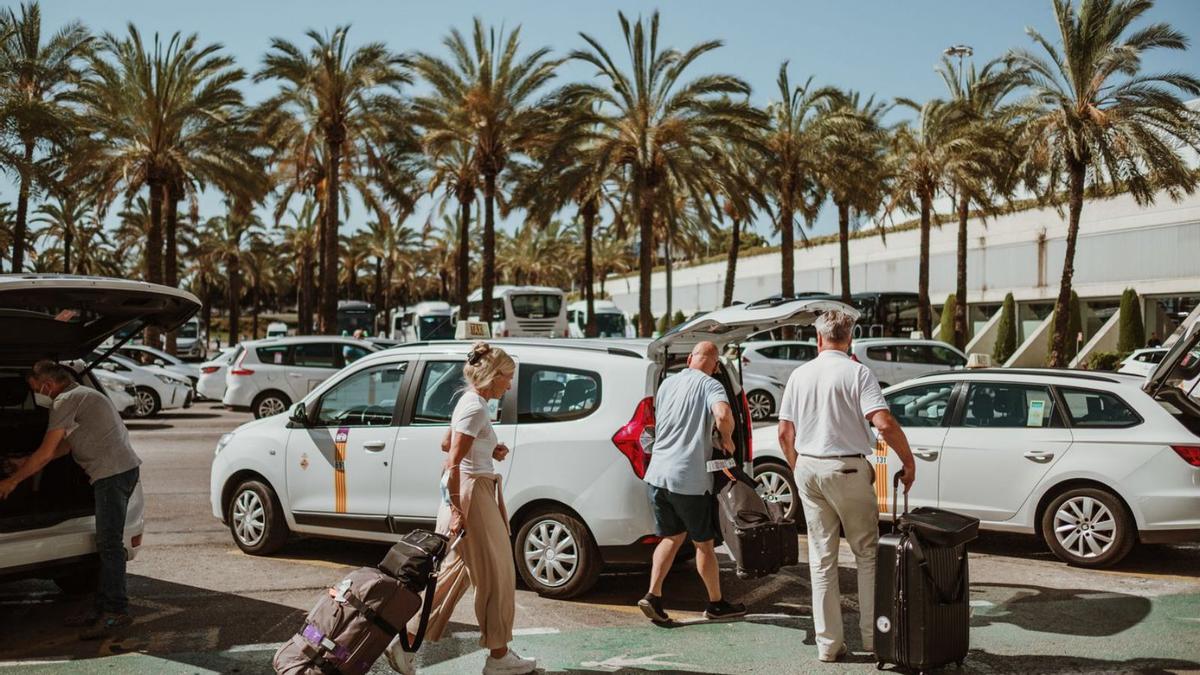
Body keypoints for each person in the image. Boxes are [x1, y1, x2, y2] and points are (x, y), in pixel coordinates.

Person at [386, 342, 535, 675]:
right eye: (507, 378)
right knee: (498, 575)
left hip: (470, 492)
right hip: (472, 496)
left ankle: (404, 642)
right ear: (493, 376)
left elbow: (447, 443)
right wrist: (457, 510)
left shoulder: (470, 402)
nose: (509, 385)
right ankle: (499, 658)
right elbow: (451, 462)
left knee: (452, 578)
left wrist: (487, 447)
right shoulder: (475, 407)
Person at [777, 309, 916, 662]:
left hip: (809, 467)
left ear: (819, 339)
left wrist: (798, 468)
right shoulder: (858, 373)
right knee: (867, 554)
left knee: (822, 559)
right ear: (850, 338)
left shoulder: (799, 375)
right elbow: (882, 423)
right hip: (848, 469)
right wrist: (909, 461)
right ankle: (874, 640)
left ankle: (828, 645)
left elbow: (784, 432)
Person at [0, 360, 142, 640]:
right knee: (108, 543)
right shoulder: (84, 395)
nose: (36, 395)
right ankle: (101, 607)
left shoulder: (64, 400)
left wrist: (12, 481)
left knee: (110, 545)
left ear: (47, 385)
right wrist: (24, 462)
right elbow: (65, 447)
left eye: (34, 389)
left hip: (111, 476)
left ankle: (115, 612)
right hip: (121, 473)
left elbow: (46, 451)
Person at [637, 340, 746, 624]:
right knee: (704, 544)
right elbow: (723, 414)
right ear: (716, 366)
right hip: (689, 479)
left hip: (657, 475)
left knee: (671, 538)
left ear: (689, 359)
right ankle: (716, 604)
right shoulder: (712, 385)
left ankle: (653, 596)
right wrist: (727, 439)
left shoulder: (667, 385)